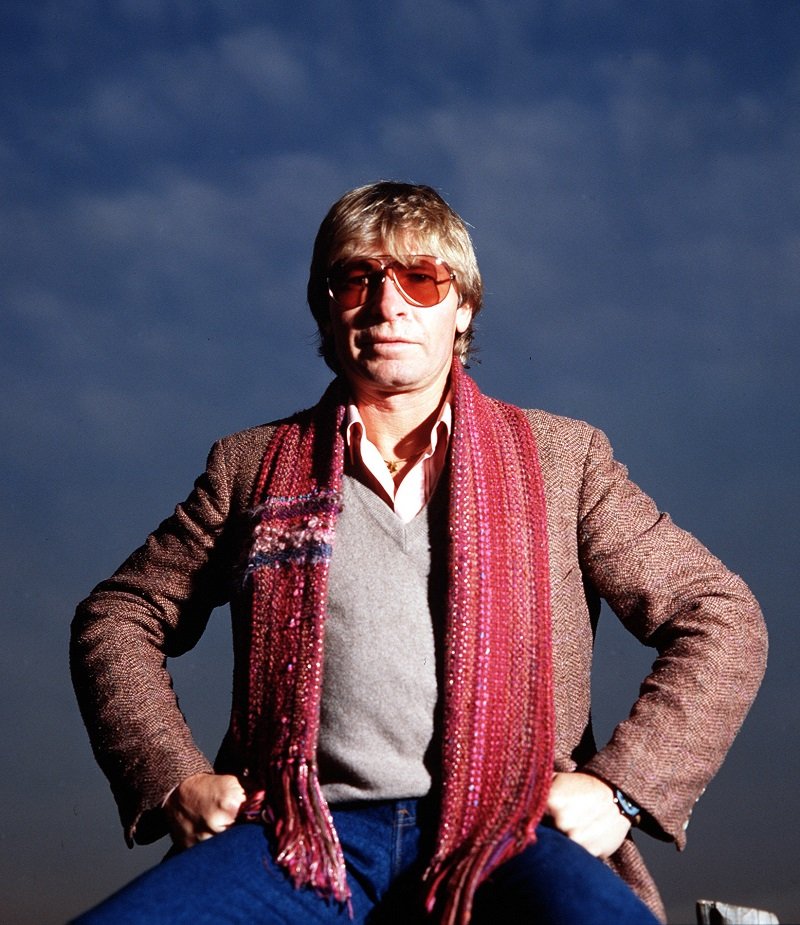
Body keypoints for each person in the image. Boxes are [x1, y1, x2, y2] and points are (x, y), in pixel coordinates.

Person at [70, 181, 766, 925]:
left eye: (420, 279)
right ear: (325, 304)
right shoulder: (253, 466)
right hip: (297, 835)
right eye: (358, 279)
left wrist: (623, 788)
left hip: (512, 831)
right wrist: (175, 779)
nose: (387, 303)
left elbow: (719, 614)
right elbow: (117, 616)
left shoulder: (563, 460)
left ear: (461, 305)